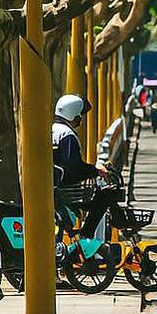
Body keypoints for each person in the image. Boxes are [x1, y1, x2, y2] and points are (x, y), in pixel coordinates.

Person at [52, 94, 124, 238]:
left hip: (55, 185)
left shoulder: (53, 129)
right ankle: (88, 234)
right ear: (74, 115)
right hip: (68, 189)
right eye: (80, 116)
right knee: (107, 195)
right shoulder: (67, 134)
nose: (81, 119)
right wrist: (95, 171)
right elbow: (74, 167)